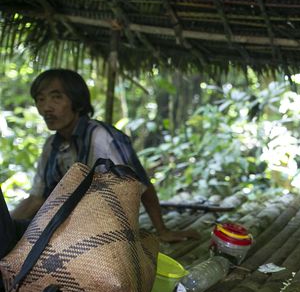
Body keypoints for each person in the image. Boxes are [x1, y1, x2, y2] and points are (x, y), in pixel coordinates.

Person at [10, 69, 198, 243]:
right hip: (66, 230)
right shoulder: (52, 145)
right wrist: (6, 226)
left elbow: (139, 185)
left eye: (56, 98)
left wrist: (162, 230)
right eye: (40, 99)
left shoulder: (101, 137)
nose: (46, 108)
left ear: (77, 101)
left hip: (104, 232)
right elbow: (37, 198)